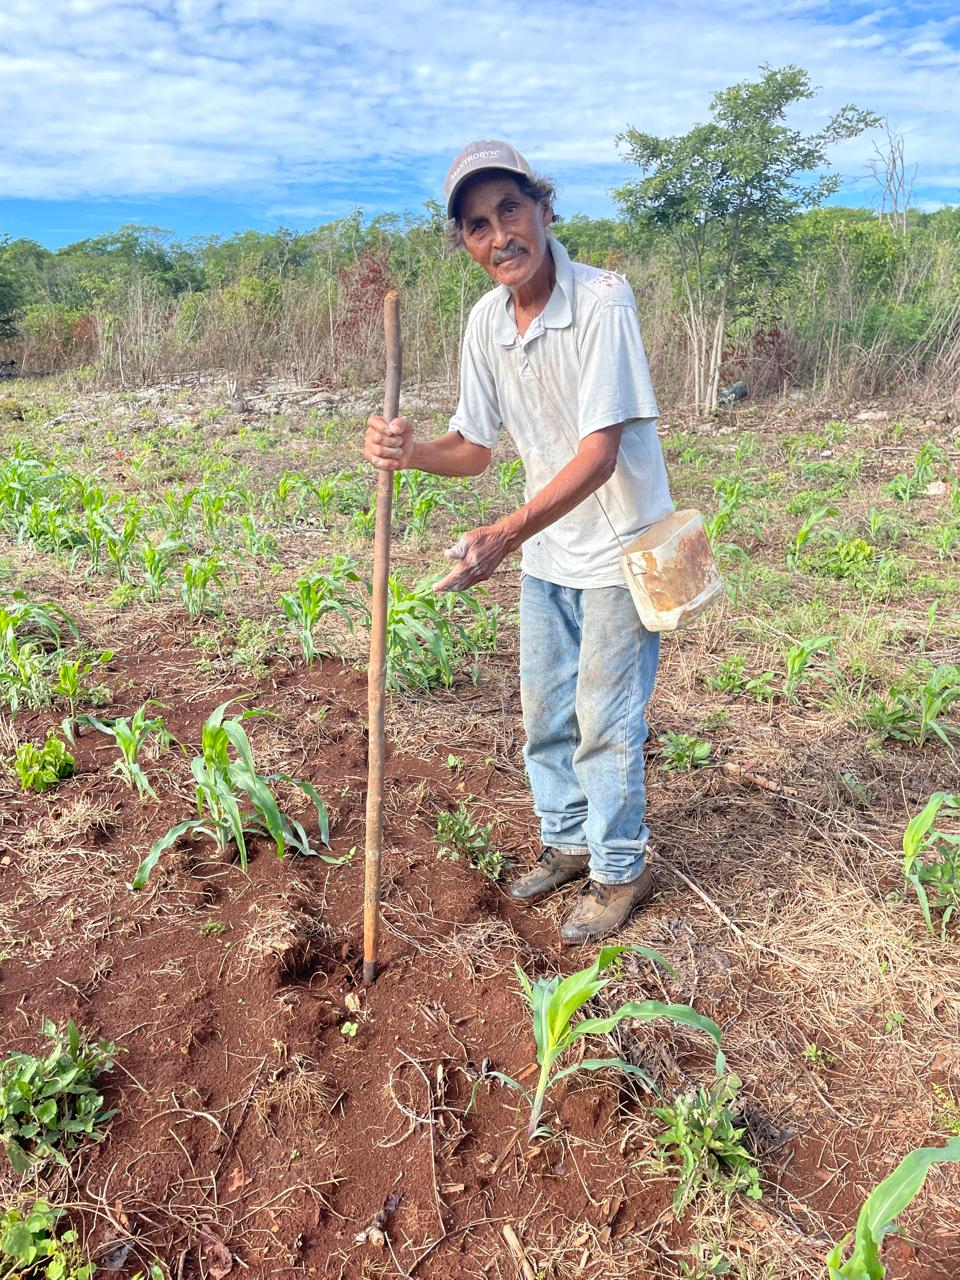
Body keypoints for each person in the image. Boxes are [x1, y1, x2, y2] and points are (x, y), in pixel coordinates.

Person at [363, 140, 674, 945]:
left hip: (623, 548)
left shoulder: (603, 300)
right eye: (477, 224)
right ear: (465, 242)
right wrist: (410, 451)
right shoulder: (486, 323)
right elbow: (473, 446)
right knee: (545, 715)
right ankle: (569, 844)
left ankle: (617, 870)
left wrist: (503, 532)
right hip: (548, 549)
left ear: (543, 208)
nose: (499, 234)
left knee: (605, 721)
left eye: (510, 210)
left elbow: (599, 454)